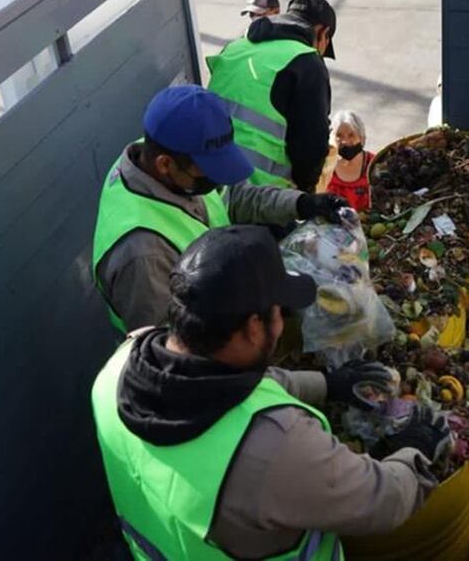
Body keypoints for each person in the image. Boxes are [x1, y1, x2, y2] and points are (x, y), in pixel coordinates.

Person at [92, 225, 450, 560]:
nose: (282, 326)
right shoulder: (274, 446)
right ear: (252, 327)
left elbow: (228, 384)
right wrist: (415, 451)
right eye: (279, 313)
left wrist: (329, 385)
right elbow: (381, 502)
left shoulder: (114, 371)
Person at [92, 85, 348, 334]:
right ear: (165, 164)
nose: (216, 180)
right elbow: (174, 356)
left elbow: (235, 196)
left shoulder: (163, 151)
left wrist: (301, 203)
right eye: (208, 171)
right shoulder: (143, 256)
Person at [206, 0, 337, 192]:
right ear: (322, 32)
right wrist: (305, 194)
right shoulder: (307, 62)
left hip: (209, 181)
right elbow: (311, 145)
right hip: (259, 194)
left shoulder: (235, 47)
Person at [326, 110, 375, 212]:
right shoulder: (325, 166)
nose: (345, 141)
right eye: (339, 135)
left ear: (361, 138)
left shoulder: (374, 164)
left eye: (351, 135)